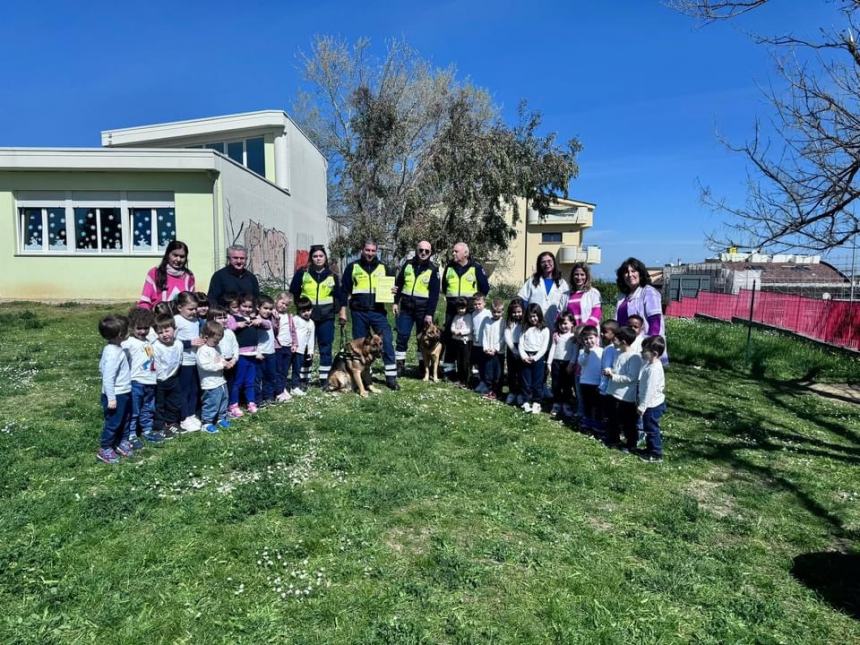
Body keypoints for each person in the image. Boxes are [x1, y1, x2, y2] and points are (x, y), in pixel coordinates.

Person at [340, 239, 399, 390]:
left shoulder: (384, 268)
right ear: (362, 249)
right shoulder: (352, 267)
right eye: (368, 250)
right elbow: (343, 291)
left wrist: (394, 293)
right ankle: (365, 378)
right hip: (358, 312)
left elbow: (394, 289)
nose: (370, 253)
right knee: (360, 347)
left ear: (376, 251)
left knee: (386, 342)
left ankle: (391, 378)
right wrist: (342, 311)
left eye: (373, 250)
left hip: (378, 312)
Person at [289, 245, 345, 387]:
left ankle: (324, 379)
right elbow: (294, 292)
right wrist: (301, 308)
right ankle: (303, 379)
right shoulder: (303, 273)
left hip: (326, 317)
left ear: (325, 258)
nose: (318, 259)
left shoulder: (332, 275)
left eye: (321, 256)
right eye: (315, 256)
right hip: (307, 318)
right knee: (305, 348)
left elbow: (339, 296)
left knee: (325, 347)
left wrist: (342, 313)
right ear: (311, 258)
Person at [441, 242, 490, 379]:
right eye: (453, 251)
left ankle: (469, 372)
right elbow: (444, 287)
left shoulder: (476, 267)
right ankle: (449, 371)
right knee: (450, 337)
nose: (453, 254)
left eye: (456, 251)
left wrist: (474, 303)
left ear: (465, 253)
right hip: (452, 308)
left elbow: (484, 288)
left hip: (469, 309)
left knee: (468, 340)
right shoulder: (449, 267)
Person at [393, 240, 440, 376]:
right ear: (416, 250)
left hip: (423, 310)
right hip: (406, 308)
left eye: (427, 251)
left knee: (422, 339)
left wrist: (430, 314)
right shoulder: (407, 265)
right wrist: (396, 302)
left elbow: (434, 295)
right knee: (402, 336)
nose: (423, 253)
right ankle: (400, 365)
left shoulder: (433, 270)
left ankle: (422, 366)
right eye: (421, 250)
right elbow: (399, 284)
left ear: (430, 253)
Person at [122, 308, 164, 446]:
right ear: (131, 327)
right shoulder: (129, 343)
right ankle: (132, 434)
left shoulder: (149, 341)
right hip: (136, 382)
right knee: (134, 409)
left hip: (150, 382)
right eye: (139, 328)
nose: (143, 331)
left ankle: (147, 430)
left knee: (148, 407)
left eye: (146, 328)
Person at [615, 257, 667, 363]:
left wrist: (649, 347)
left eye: (633, 271)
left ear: (640, 273)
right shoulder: (622, 296)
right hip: (625, 345)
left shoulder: (648, 292)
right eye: (626, 272)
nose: (630, 275)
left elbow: (655, 323)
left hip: (642, 345)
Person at [97, 314, 132, 464]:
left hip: (124, 391)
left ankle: (121, 442)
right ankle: (105, 448)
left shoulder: (116, 349)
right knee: (113, 422)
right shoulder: (112, 353)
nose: (129, 331)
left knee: (125, 418)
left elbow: (100, 367)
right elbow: (107, 377)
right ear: (120, 335)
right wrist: (111, 398)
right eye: (127, 330)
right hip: (116, 395)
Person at [602, 326, 643, 450]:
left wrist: (613, 376)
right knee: (612, 417)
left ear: (623, 341)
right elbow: (617, 368)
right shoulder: (618, 353)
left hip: (625, 396)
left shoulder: (634, 357)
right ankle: (613, 439)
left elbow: (631, 377)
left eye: (615, 339)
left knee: (627, 421)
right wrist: (609, 370)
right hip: (612, 391)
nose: (613, 340)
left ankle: (631, 443)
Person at [227, 293, 264, 416]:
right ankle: (233, 404)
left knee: (250, 381)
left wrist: (260, 320)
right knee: (238, 381)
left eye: (250, 307)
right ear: (239, 306)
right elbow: (228, 327)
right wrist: (238, 325)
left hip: (253, 355)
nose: (247, 309)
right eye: (244, 306)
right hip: (241, 355)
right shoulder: (233, 317)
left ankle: (251, 402)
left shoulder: (253, 319)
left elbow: (267, 325)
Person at [173, 292, 204, 432]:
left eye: (195, 309)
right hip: (183, 362)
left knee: (195, 389)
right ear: (180, 307)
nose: (194, 312)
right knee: (184, 391)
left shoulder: (196, 321)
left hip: (195, 360)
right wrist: (189, 342)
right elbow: (170, 341)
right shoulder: (177, 320)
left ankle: (192, 414)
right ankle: (184, 417)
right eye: (190, 309)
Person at [197, 321, 234, 434]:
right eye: (215, 340)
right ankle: (207, 422)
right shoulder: (203, 350)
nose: (217, 343)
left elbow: (220, 358)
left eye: (219, 340)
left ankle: (221, 418)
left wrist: (226, 363)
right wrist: (221, 365)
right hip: (210, 383)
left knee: (223, 400)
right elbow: (205, 366)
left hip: (220, 381)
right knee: (211, 403)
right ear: (206, 337)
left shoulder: (216, 347)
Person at [518, 251, 570, 332]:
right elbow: (522, 299)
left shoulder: (562, 283)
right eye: (543, 262)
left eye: (549, 261)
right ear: (539, 264)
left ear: (554, 262)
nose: (546, 264)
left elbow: (566, 304)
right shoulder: (532, 281)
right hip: (534, 323)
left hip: (555, 324)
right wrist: (527, 316)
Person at [138, 241, 196, 309]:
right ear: (168, 255)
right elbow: (145, 302)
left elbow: (192, 303)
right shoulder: (155, 273)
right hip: (160, 318)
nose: (178, 259)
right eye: (175, 255)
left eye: (182, 257)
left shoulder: (189, 276)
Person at [152, 315, 183, 440]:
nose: (164, 334)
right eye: (160, 332)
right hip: (159, 380)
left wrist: (173, 375)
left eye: (167, 331)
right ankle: (160, 426)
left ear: (174, 329)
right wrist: (160, 378)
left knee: (174, 402)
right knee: (159, 404)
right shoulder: (155, 346)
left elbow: (179, 360)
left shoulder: (179, 344)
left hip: (173, 378)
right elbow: (155, 364)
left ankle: (172, 423)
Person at [637, 335, 667, 462]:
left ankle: (656, 453)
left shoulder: (654, 369)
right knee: (648, 428)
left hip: (652, 405)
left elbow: (649, 390)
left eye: (644, 351)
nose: (641, 353)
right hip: (650, 403)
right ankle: (650, 449)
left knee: (651, 429)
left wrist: (642, 406)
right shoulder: (650, 364)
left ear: (654, 353)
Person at [519, 303, 550, 414]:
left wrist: (535, 358)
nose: (533, 319)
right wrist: (524, 356)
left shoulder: (545, 330)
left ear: (539, 315)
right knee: (526, 380)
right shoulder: (525, 328)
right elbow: (521, 344)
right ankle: (526, 400)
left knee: (537, 381)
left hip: (538, 357)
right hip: (526, 356)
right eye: (531, 316)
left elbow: (544, 347)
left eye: (535, 316)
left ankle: (537, 402)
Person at [575, 325, 603, 434]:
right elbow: (581, 363)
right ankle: (587, 424)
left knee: (597, 405)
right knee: (587, 404)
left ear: (597, 338)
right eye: (586, 339)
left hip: (597, 383)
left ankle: (597, 425)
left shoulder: (602, 351)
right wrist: (586, 352)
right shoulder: (582, 352)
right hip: (585, 382)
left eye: (591, 338)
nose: (589, 341)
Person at [549, 312, 577, 418]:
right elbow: (553, 348)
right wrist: (549, 362)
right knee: (556, 384)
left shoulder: (573, 337)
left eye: (565, 323)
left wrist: (571, 363)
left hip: (568, 364)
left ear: (572, 323)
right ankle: (556, 404)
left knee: (567, 385)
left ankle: (566, 404)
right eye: (561, 323)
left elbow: (575, 352)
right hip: (556, 362)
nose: (563, 326)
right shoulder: (556, 335)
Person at [476, 299, 505, 399]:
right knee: (488, 372)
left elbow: (503, 338)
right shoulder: (487, 321)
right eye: (494, 312)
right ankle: (489, 389)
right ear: (491, 311)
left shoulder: (503, 322)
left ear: (502, 312)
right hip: (488, 351)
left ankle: (497, 391)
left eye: (498, 312)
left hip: (498, 352)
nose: (496, 314)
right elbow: (484, 335)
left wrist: (496, 349)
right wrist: (486, 348)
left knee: (498, 373)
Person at [254, 295, 278, 405]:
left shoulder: (270, 319)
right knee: (258, 377)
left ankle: (269, 396)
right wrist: (256, 351)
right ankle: (257, 399)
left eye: (270, 309)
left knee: (270, 375)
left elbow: (274, 328)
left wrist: (276, 318)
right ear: (258, 307)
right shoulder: (255, 320)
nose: (268, 311)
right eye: (265, 308)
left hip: (271, 352)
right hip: (260, 353)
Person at [274, 293, 298, 402]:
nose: (284, 306)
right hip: (278, 346)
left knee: (284, 370)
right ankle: (278, 391)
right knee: (277, 369)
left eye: (287, 305)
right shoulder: (273, 314)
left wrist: (295, 343)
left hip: (288, 346)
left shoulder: (289, 316)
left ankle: (282, 388)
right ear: (276, 301)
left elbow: (293, 331)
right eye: (282, 303)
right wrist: (275, 317)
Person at [565, 262, 602, 328]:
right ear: (572, 276)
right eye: (576, 274)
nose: (579, 277)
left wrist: (583, 328)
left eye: (582, 274)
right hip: (570, 334)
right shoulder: (565, 295)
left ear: (587, 276)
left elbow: (596, 314)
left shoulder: (594, 293)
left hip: (587, 333)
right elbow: (560, 314)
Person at [292, 296, 317, 394]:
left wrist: (310, 351)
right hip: (292, 348)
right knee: (284, 368)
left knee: (297, 369)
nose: (306, 313)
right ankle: (281, 387)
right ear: (298, 311)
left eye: (308, 310)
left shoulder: (311, 323)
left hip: (301, 350)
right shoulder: (295, 319)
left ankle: (295, 387)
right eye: (303, 311)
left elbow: (311, 338)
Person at [504, 299, 525, 405]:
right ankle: (512, 392)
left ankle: (521, 393)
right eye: (514, 312)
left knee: (521, 372)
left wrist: (520, 351)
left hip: (523, 349)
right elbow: (507, 337)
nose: (517, 314)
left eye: (519, 312)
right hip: (512, 348)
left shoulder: (525, 323)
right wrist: (514, 351)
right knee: (512, 372)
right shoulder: (509, 323)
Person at [448, 298, 473, 386]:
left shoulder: (469, 316)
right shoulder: (456, 316)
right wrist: (453, 331)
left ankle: (466, 380)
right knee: (458, 360)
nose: (460, 310)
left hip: (465, 341)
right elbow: (452, 326)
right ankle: (460, 378)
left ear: (466, 308)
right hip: (457, 341)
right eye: (459, 308)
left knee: (465, 361)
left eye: (462, 308)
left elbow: (469, 329)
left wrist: (461, 332)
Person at [470, 294, 491, 387]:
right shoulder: (473, 314)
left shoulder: (488, 313)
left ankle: (485, 381)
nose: (477, 306)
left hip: (485, 344)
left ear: (484, 303)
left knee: (484, 364)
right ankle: (478, 380)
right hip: (475, 343)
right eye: (475, 304)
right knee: (476, 363)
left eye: (479, 304)